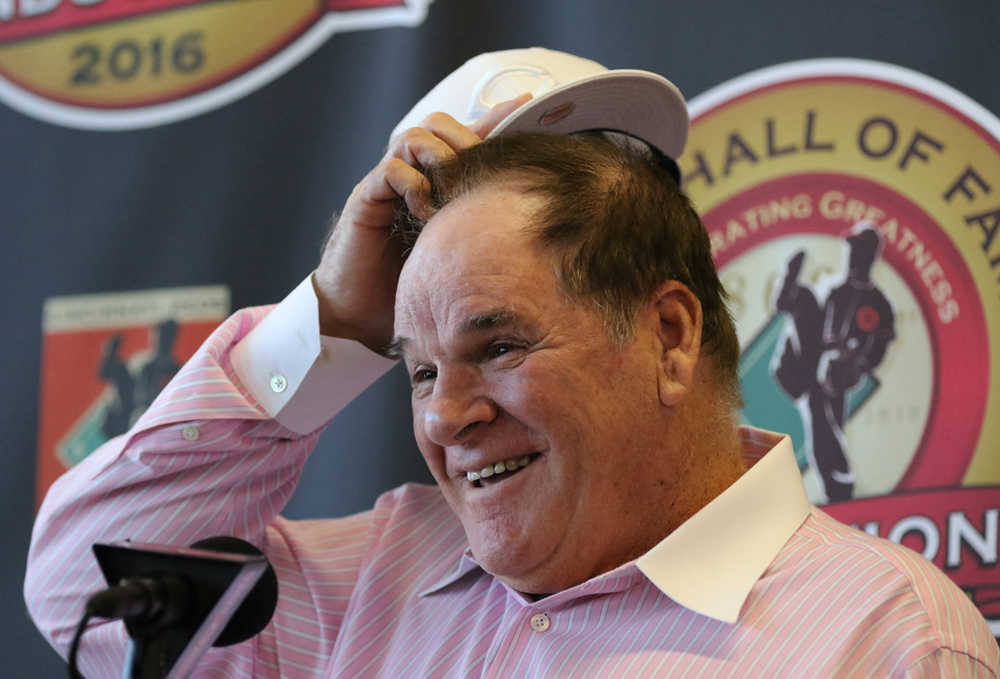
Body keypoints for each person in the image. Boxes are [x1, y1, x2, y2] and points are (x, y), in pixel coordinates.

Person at [25, 48, 998, 678]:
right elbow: (85, 591)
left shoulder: (890, 639)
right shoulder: (371, 581)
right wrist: (323, 325)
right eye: (414, 368)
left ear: (667, 335)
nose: (446, 417)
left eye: (497, 346)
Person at [772, 224, 896, 502]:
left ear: (869, 257)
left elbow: (880, 344)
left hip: (842, 371)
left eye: (859, 253)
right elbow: (811, 322)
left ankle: (837, 484)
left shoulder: (878, 303)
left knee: (824, 413)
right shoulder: (833, 290)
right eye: (851, 251)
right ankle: (837, 482)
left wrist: (858, 362)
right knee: (802, 299)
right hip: (809, 361)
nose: (853, 258)